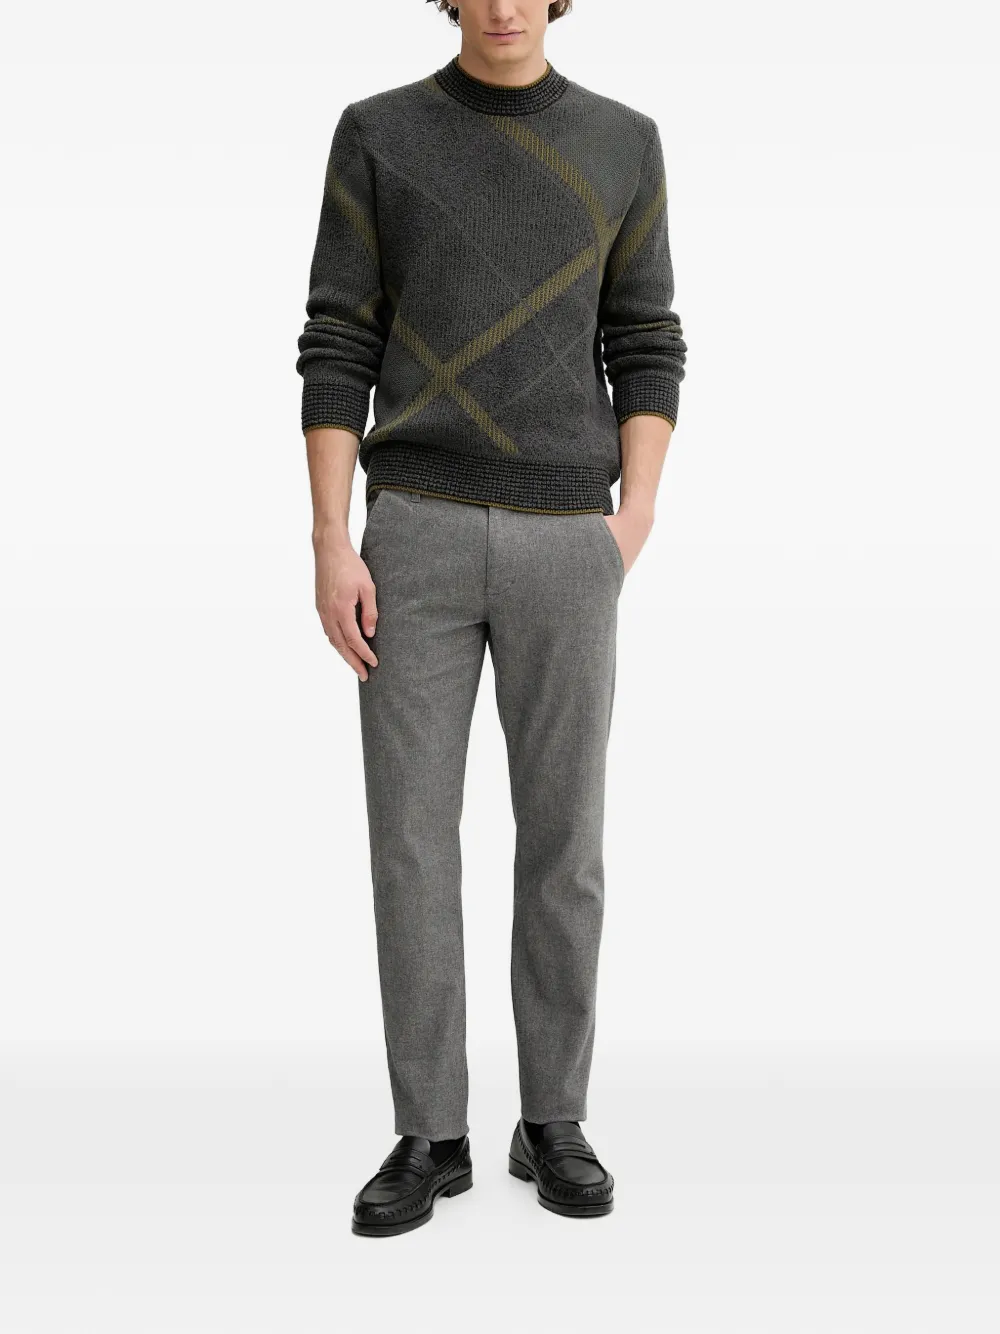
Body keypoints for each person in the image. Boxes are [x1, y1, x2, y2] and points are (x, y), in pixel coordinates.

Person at [296, 0, 686, 1238]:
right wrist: (330, 537)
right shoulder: (378, 134)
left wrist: (631, 519)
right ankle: (430, 1130)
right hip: (411, 531)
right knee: (409, 841)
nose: (504, 4)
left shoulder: (623, 142)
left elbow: (646, 338)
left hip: (569, 537)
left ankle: (552, 1116)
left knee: (564, 840)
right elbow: (337, 339)